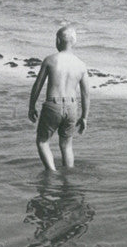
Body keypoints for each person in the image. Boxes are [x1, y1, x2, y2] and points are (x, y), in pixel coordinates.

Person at [28, 26, 91, 171]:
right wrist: (84, 117)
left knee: (43, 141)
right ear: (73, 42)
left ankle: (52, 172)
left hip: (53, 105)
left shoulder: (50, 60)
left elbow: (37, 85)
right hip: (72, 107)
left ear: (57, 40)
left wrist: (31, 106)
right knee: (66, 145)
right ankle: (68, 177)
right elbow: (86, 93)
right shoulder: (81, 65)